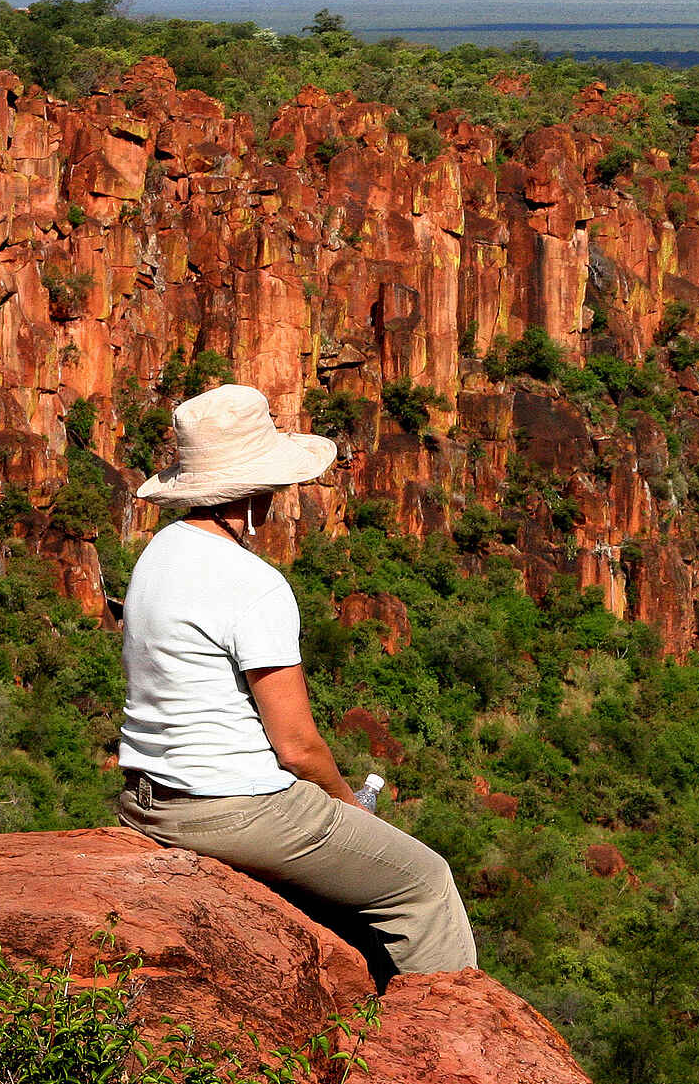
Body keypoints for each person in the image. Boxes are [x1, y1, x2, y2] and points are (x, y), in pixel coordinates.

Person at [114, 383, 476, 977]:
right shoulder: (253, 584)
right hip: (234, 811)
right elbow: (298, 747)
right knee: (425, 883)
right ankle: (448, 1024)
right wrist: (348, 807)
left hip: (147, 801)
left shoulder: (157, 554)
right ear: (253, 493)